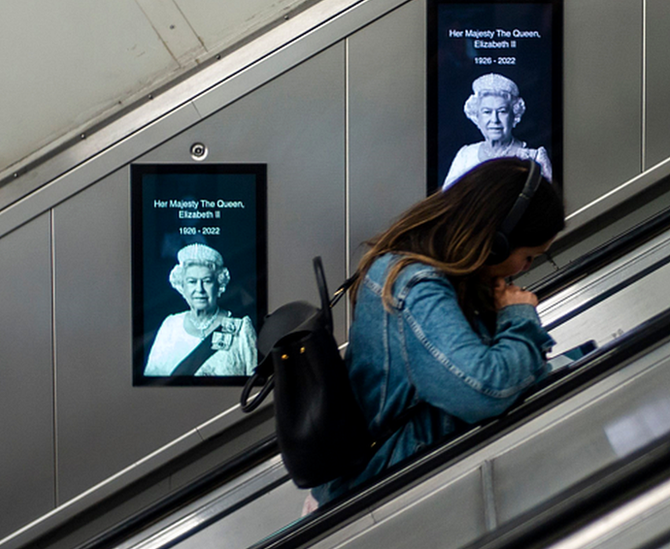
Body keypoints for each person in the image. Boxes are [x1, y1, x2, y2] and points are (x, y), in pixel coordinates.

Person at [311, 158, 565, 506]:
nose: (525, 269)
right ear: (496, 243)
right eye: (529, 256)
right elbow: (483, 391)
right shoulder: (416, 288)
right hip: (376, 486)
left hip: (387, 475)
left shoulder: (429, 269)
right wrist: (518, 317)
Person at [144, 243, 257, 376]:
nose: (200, 289)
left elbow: (256, 387)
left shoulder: (241, 328)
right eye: (192, 282)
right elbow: (152, 381)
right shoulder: (170, 325)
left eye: (207, 281)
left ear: (219, 285)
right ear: (182, 286)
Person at [443, 73, 553, 190]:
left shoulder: (535, 158)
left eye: (502, 111)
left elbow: (547, 204)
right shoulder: (465, 155)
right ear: (477, 117)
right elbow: (447, 201)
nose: (494, 120)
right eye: (487, 112)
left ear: (514, 116)